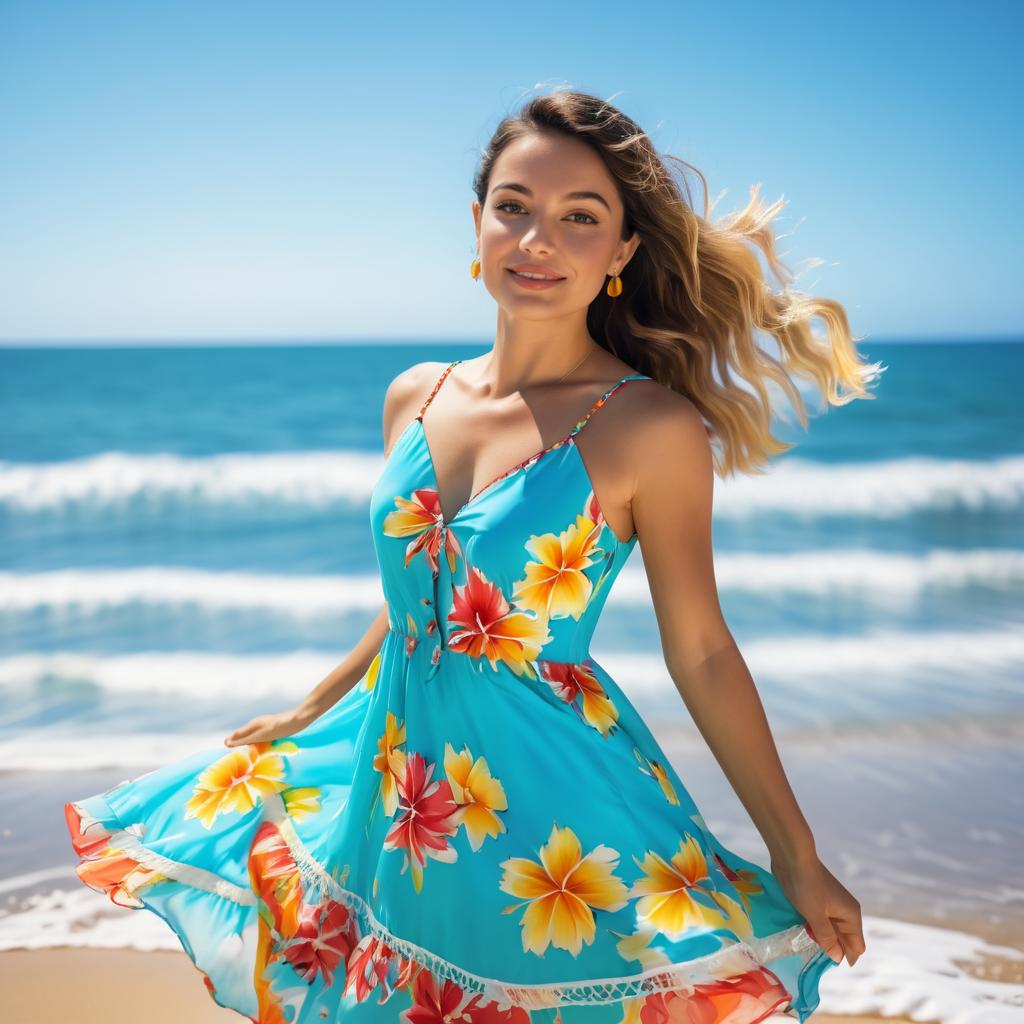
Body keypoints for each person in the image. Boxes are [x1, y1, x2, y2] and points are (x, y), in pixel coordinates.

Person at [65, 89, 879, 1024]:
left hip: (543, 805)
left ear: (620, 254)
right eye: (515, 207)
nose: (538, 240)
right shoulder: (414, 395)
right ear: (479, 223)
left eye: (580, 219)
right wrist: (315, 701)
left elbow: (700, 649)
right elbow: (426, 591)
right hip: (400, 783)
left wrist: (796, 853)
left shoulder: (648, 426)